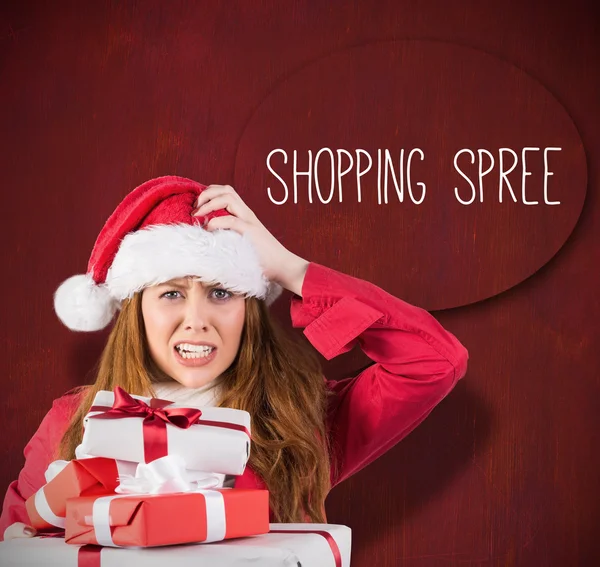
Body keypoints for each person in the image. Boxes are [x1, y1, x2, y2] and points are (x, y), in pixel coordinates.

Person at [0, 175, 468, 540]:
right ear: (134, 309)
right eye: (171, 293)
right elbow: (18, 547)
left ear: (249, 308)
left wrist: (290, 268)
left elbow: (434, 360)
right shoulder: (72, 422)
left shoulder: (300, 419)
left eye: (221, 292)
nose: (196, 319)